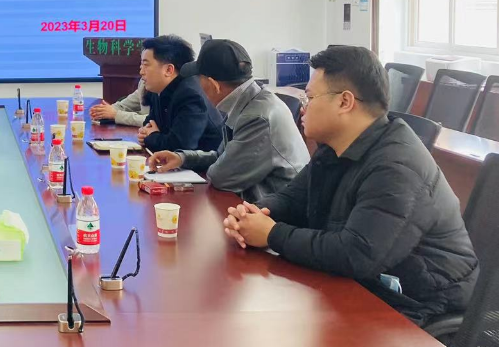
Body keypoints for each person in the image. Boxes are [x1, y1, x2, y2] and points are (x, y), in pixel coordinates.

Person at [222, 45, 478, 326]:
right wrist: (252, 214)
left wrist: (271, 235)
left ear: (345, 102)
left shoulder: (396, 165)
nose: (303, 108)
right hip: (369, 286)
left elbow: (356, 253)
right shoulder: (335, 146)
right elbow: (294, 199)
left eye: (310, 97)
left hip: (419, 304)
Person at [147, 39, 309, 201]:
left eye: (199, 78)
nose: (197, 85)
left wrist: (213, 164)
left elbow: (221, 177)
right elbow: (222, 156)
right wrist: (182, 158)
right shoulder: (248, 99)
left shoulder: (256, 117)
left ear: (213, 84)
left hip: (275, 209)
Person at [134, 35, 224, 153]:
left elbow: (182, 147)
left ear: (168, 70)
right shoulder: (158, 88)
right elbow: (150, 123)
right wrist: (146, 133)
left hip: (205, 163)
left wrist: (152, 137)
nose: (141, 71)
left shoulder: (190, 95)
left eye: (146, 65)